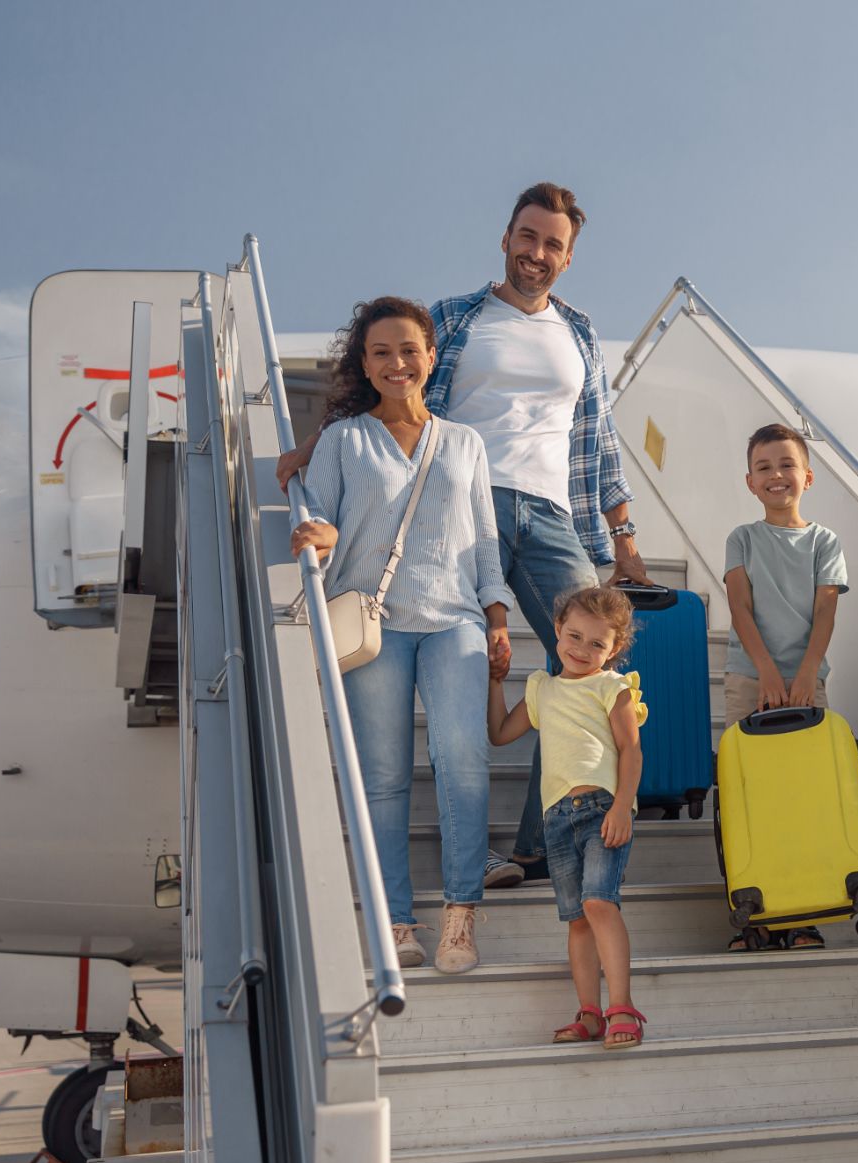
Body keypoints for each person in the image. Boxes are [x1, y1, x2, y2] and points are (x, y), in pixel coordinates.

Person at [278, 182, 651, 888]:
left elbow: (599, 439)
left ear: (567, 259)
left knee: (594, 674)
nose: (536, 253)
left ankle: (541, 843)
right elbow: (392, 387)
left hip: (549, 514)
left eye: (552, 244)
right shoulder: (454, 317)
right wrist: (316, 444)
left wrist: (622, 537)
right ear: (506, 238)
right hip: (455, 511)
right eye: (527, 236)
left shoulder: (580, 335)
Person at [290, 296, 512, 974]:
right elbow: (322, 519)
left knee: (464, 764)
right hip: (372, 625)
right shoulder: (343, 440)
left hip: (455, 624)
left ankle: (460, 919)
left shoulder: (465, 443)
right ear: (365, 362)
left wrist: (497, 616)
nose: (397, 363)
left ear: (430, 356)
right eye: (381, 352)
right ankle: (396, 922)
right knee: (384, 780)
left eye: (409, 350)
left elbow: (483, 541)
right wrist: (319, 536)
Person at [486, 586, 648, 1048]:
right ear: (557, 630)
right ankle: (590, 1013)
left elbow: (630, 749)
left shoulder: (612, 687)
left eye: (597, 644)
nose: (582, 649)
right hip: (556, 819)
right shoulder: (543, 689)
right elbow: (499, 733)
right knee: (577, 918)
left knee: (600, 903)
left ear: (613, 649)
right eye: (574, 636)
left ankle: (623, 1007)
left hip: (602, 810)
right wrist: (495, 680)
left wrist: (622, 806)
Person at [723, 422, 849, 951]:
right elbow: (739, 607)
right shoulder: (742, 539)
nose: (777, 475)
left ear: (808, 476)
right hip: (749, 680)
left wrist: (804, 674)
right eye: (764, 468)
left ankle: (802, 913)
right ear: (750, 482)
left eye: (786, 465)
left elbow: (825, 612)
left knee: (802, 798)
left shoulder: (825, 541)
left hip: (806, 687)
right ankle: (753, 916)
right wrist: (767, 672)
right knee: (748, 800)